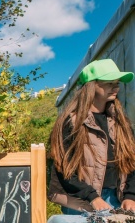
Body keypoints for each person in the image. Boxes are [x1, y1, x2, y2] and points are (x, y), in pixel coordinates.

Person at [49, 58, 135, 214]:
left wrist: (130, 195)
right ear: (92, 85)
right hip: (81, 202)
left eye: (117, 83)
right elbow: (64, 168)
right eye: (109, 82)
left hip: (118, 199)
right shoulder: (71, 123)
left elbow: (132, 161)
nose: (115, 87)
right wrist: (92, 197)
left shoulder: (121, 123)